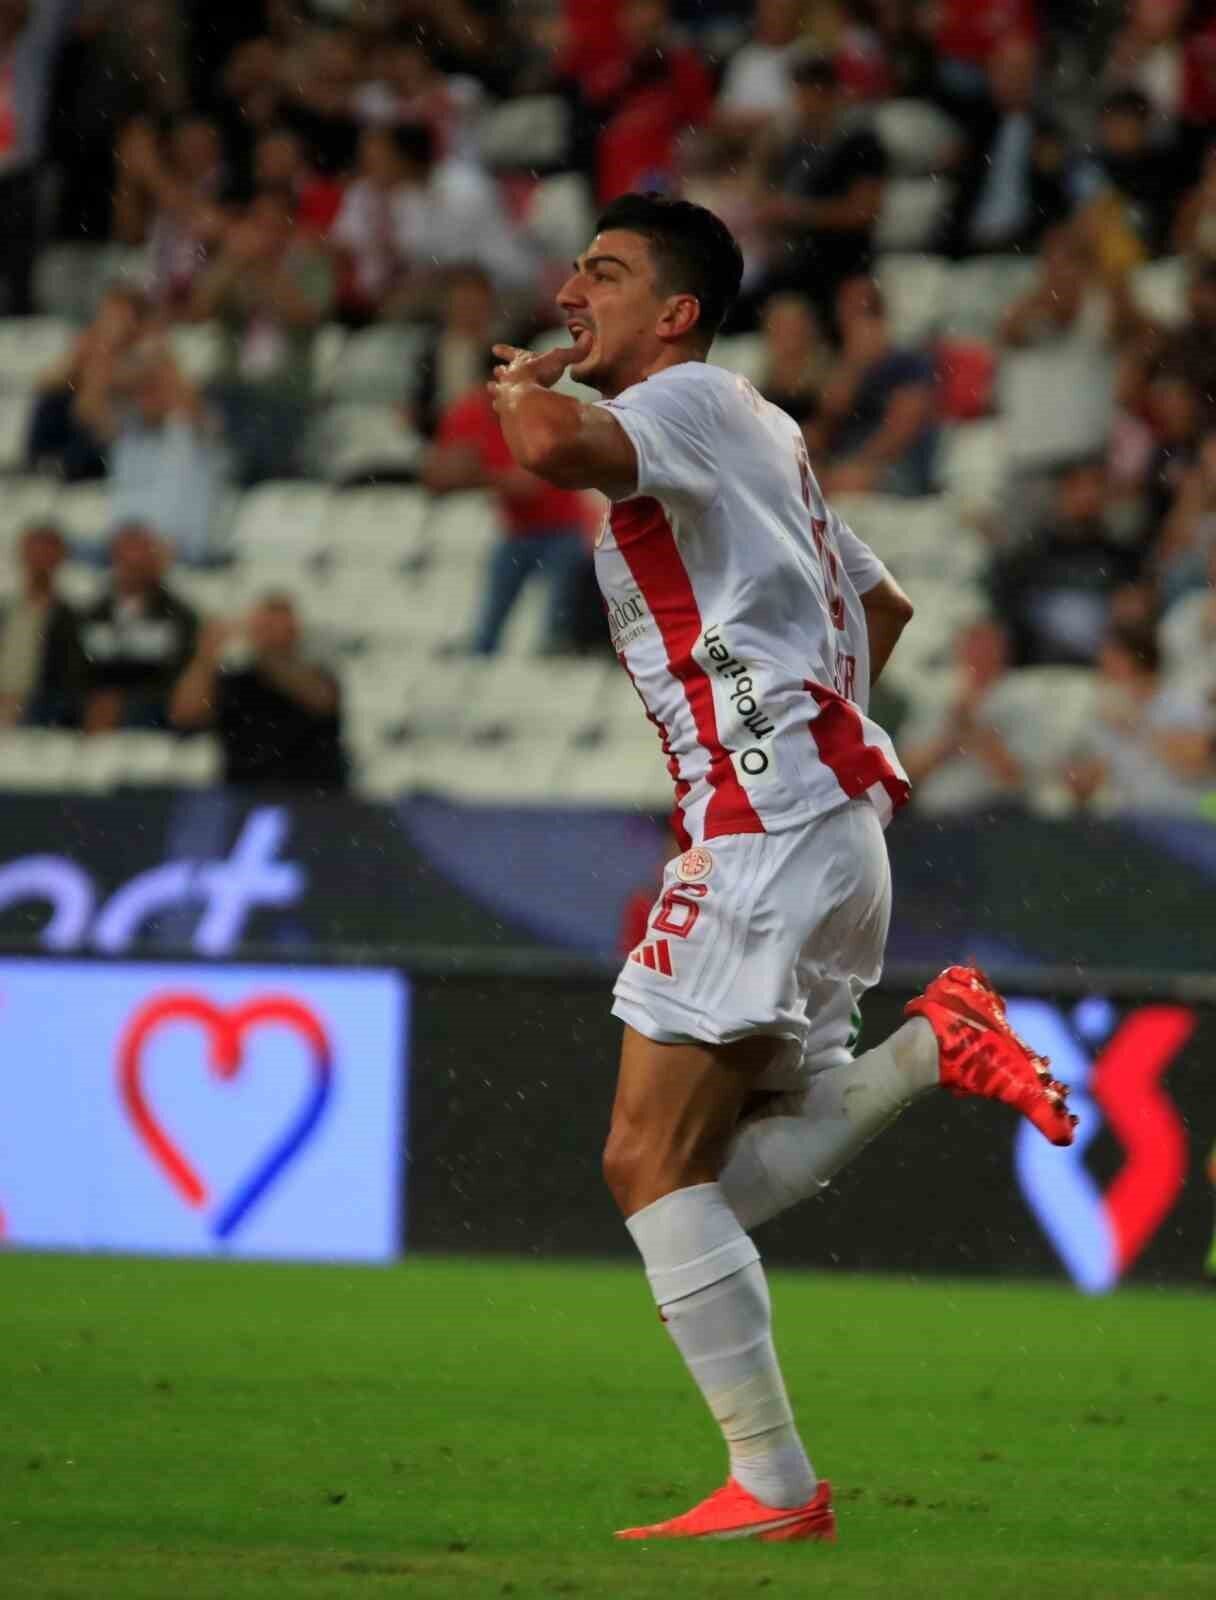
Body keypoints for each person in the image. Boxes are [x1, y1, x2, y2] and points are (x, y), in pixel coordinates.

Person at [488, 191, 1074, 1543]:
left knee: (647, 1161)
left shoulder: (687, 402)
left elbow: (549, 445)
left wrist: (521, 382)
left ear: (676, 312)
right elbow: (883, 604)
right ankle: (928, 1048)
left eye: (604, 274)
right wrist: (797, 722)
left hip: (767, 821)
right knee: (700, 1173)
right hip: (823, 819)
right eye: (574, 269)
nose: (572, 292)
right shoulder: (763, 429)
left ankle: (772, 1484)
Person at [423, 369, 590, 655]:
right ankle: (481, 660)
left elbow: (529, 485)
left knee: (554, 627)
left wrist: (476, 475)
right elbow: (435, 477)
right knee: (489, 627)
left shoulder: (539, 412)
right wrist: (485, 476)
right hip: (517, 531)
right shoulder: (469, 413)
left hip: (562, 530)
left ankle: (550, 658)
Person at [190, 184, 335, 485]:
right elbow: (199, 310)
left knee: (255, 438)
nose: (265, 232)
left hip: (283, 392)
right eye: (259, 222)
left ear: (290, 226)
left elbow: (306, 314)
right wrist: (231, 261)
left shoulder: (309, 263)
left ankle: (243, 478)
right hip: (232, 387)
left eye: (274, 223)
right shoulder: (237, 265)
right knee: (194, 410)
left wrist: (268, 269)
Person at [70, 340, 226, 567]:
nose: (146, 398)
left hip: (177, 552)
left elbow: (185, 395)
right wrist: (108, 343)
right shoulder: (124, 433)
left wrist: (157, 348)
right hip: (120, 548)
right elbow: (86, 410)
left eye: (153, 390)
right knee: (51, 546)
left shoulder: (191, 431)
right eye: (139, 392)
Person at [170, 592, 347, 790]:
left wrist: (263, 650)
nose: (270, 633)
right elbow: (185, 716)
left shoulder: (318, 675)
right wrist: (206, 656)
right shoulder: (237, 681)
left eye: (276, 626)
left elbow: (321, 700)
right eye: (266, 626)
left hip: (311, 794)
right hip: (242, 792)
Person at [992, 458, 1143, 666]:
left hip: (1099, 672)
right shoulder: (1029, 557)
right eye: (1078, 487)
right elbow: (1002, 621)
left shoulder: (1122, 558)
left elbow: (1133, 622)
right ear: (1061, 493)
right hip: (1036, 672)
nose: (1088, 497)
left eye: (1097, 487)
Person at [1067, 620, 1216, 814]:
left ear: (1134, 662)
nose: (1103, 673)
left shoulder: (1184, 702)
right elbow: (1089, 785)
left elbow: (1196, 763)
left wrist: (1136, 724)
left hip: (1187, 814)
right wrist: (1076, 776)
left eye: (1109, 664)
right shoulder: (1107, 713)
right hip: (1128, 817)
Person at [815, 277, 939, 497]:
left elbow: (901, 428)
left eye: (864, 311)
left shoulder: (908, 361)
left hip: (898, 467)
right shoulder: (840, 363)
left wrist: (859, 466)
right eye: (847, 311)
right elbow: (829, 417)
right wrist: (854, 365)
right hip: (846, 462)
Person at [79, 522, 198, 733]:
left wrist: (124, 701)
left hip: (152, 711)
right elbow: (78, 668)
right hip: (95, 707)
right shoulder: (92, 613)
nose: (134, 562)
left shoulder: (179, 616)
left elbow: (180, 673)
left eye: (141, 555)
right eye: (126, 556)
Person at [899, 618, 1025, 815]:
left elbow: (1019, 779)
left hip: (996, 812)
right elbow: (907, 771)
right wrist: (951, 738)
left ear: (1004, 652)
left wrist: (974, 733)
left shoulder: (1020, 696)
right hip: (933, 815)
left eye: (988, 648)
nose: (980, 656)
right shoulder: (935, 692)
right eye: (974, 646)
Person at [0, 522, 85, 728]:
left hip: (40, 710)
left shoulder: (71, 619)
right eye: (34, 552)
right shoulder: (7, 611)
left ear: (60, 558)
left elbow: (69, 678)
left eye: (46, 553)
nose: (39, 561)